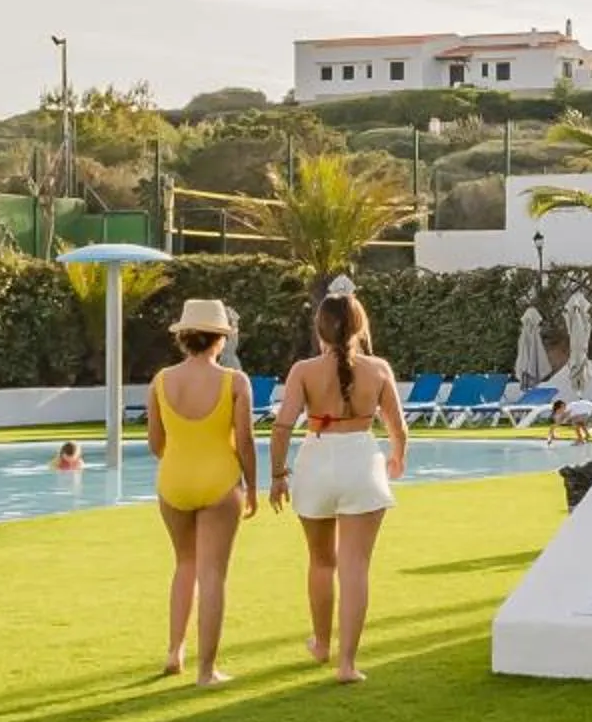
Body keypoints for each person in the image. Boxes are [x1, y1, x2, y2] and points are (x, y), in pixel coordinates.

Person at [269, 276, 407, 684]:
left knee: (320, 561)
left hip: (316, 460)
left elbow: (281, 428)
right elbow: (397, 427)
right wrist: (398, 457)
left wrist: (277, 475)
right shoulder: (379, 369)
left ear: (320, 328)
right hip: (361, 461)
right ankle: (347, 663)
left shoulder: (304, 370)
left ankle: (321, 643)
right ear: (361, 327)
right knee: (355, 567)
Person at [146, 300, 258, 687]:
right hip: (220, 480)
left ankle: (174, 653)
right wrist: (254, 487)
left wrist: (182, 461)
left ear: (183, 338)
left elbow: (155, 443)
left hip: (173, 480)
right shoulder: (234, 382)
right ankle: (206, 672)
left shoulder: (161, 381)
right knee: (213, 575)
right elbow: (245, 443)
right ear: (220, 340)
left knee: (185, 565)